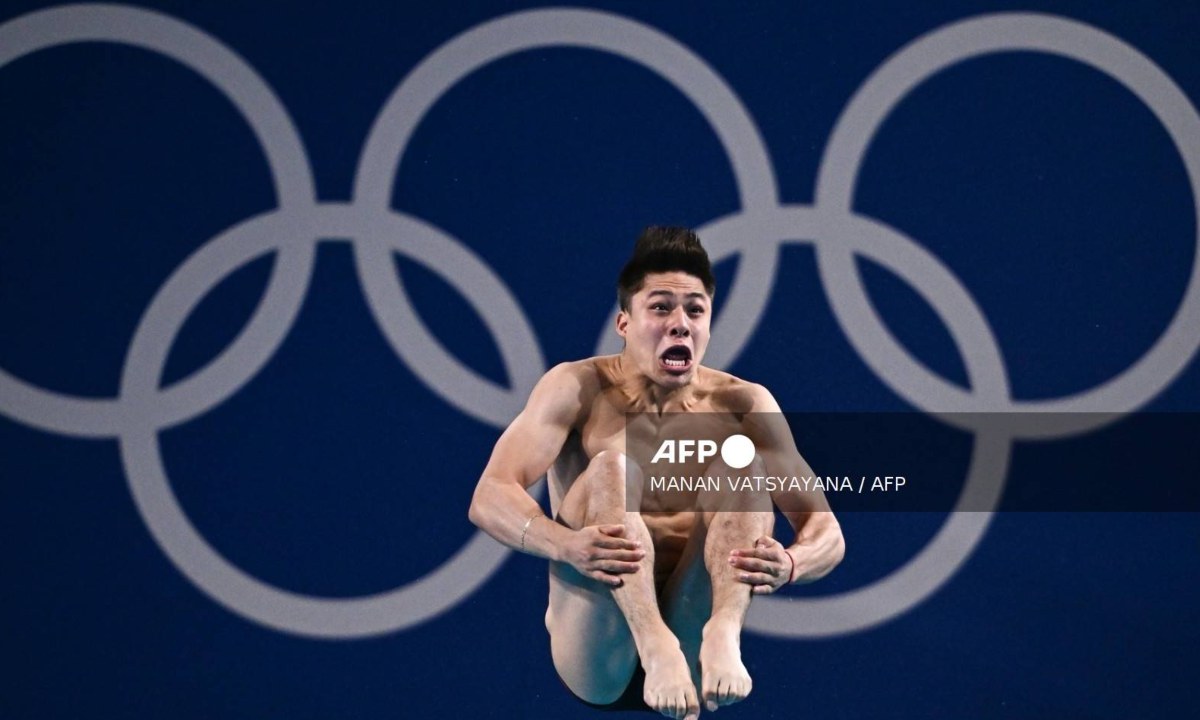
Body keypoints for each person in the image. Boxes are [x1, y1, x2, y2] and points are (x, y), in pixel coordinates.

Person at [469, 226, 844, 719]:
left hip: (691, 642)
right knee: (611, 469)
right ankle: (651, 642)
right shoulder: (577, 387)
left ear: (709, 324)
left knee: (744, 464)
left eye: (694, 310)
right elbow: (490, 495)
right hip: (596, 644)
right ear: (624, 322)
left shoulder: (744, 404)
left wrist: (792, 564)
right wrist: (564, 545)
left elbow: (826, 529)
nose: (680, 324)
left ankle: (723, 630)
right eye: (661, 307)